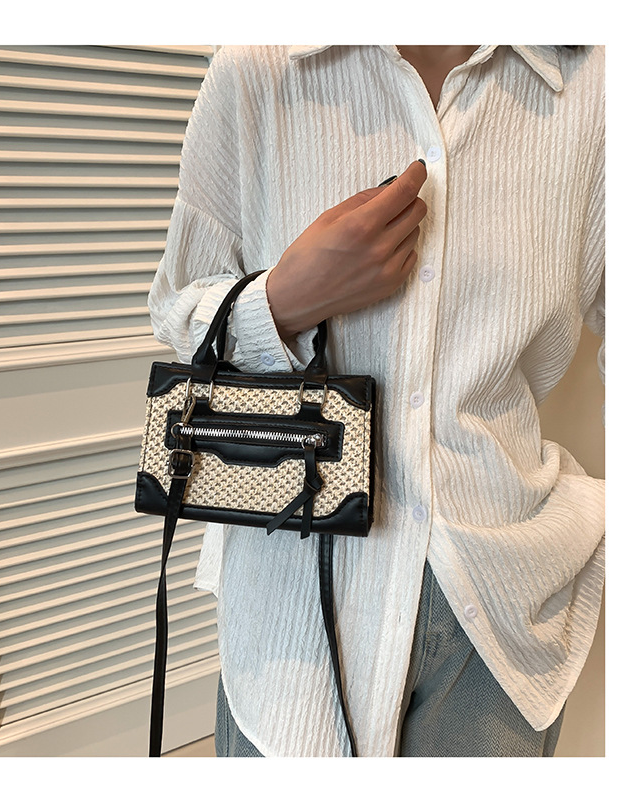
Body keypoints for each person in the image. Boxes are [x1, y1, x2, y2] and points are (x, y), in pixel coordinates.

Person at [146, 45, 605, 757]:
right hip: (292, 612)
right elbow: (177, 309)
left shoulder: (597, 85)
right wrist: (285, 301)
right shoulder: (259, 66)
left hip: (498, 612)